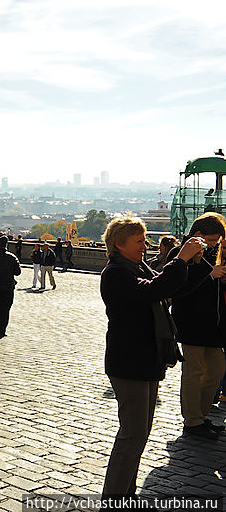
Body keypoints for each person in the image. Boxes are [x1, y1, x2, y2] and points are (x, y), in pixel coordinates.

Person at [99, 217, 207, 498]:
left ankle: (126, 494)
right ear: (119, 243)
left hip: (146, 359)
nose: (144, 246)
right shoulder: (115, 273)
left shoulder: (135, 266)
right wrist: (180, 259)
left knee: (139, 435)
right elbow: (153, 290)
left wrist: (195, 265)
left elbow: (172, 288)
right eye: (138, 241)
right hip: (129, 362)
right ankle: (113, 499)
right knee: (132, 436)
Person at [166, 213, 226, 439]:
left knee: (217, 370)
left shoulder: (211, 251)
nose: (214, 245)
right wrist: (211, 276)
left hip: (213, 325)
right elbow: (180, 289)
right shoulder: (179, 253)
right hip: (190, 323)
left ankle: (201, 416)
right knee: (194, 373)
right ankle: (192, 421)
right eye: (211, 240)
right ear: (198, 234)